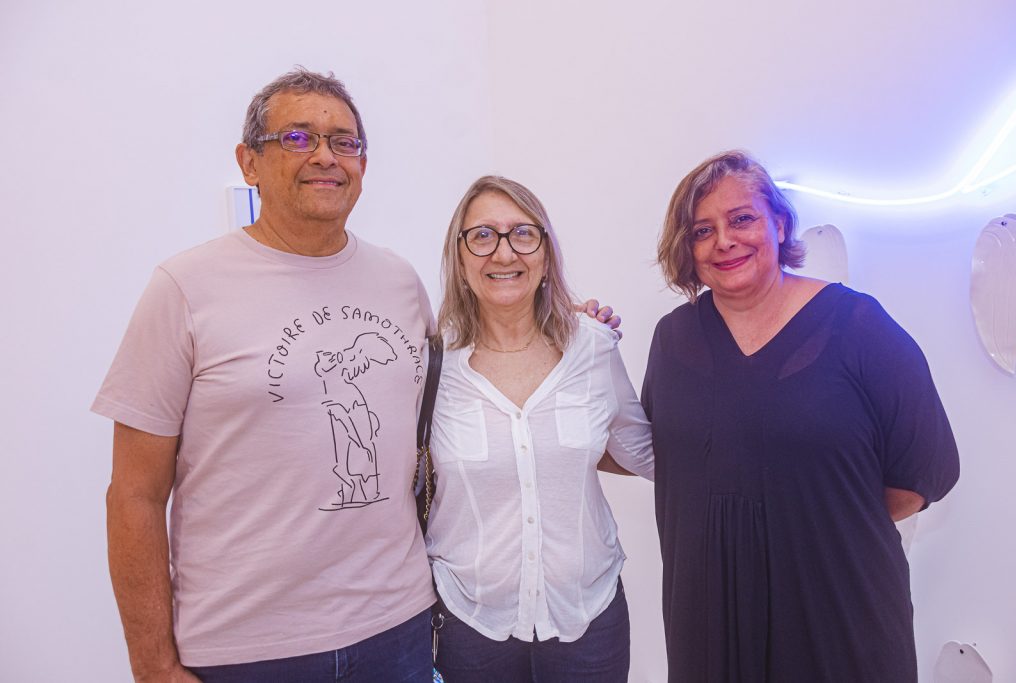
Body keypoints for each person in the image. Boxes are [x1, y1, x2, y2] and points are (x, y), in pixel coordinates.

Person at [93, 68, 619, 683]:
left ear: (364, 164)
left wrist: (573, 334)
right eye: (297, 138)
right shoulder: (184, 289)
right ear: (249, 162)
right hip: (245, 649)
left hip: (398, 629)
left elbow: (483, 397)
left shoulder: (399, 283)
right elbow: (133, 493)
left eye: (345, 142)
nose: (325, 156)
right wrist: (153, 666)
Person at [643, 150, 960, 681]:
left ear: (780, 222)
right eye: (702, 230)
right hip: (709, 625)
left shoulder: (859, 326)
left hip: (837, 615)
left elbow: (923, 472)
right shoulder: (673, 339)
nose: (724, 240)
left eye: (742, 218)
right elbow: (663, 455)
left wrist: (819, 519)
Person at [425, 176, 654, 682]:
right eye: (482, 236)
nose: (504, 252)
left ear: (545, 254)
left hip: (587, 619)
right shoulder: (431, 365)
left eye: (522, 234)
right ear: (460, 259)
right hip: (470, 623)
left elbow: (645, 453)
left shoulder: (593, 347)